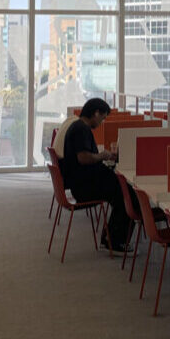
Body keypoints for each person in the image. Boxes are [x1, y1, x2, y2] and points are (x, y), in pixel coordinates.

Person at [60, 98, 131, 251]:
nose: (102, 122)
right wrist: (103, 156)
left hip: (81, 182)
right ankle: (115, 241)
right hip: (83, 188)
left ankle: (111, 237)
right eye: (103, 118)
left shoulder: (77, 126)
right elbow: (84, 158)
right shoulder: (82, 129)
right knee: (125, 194)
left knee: (120, 190)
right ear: (96, 113)